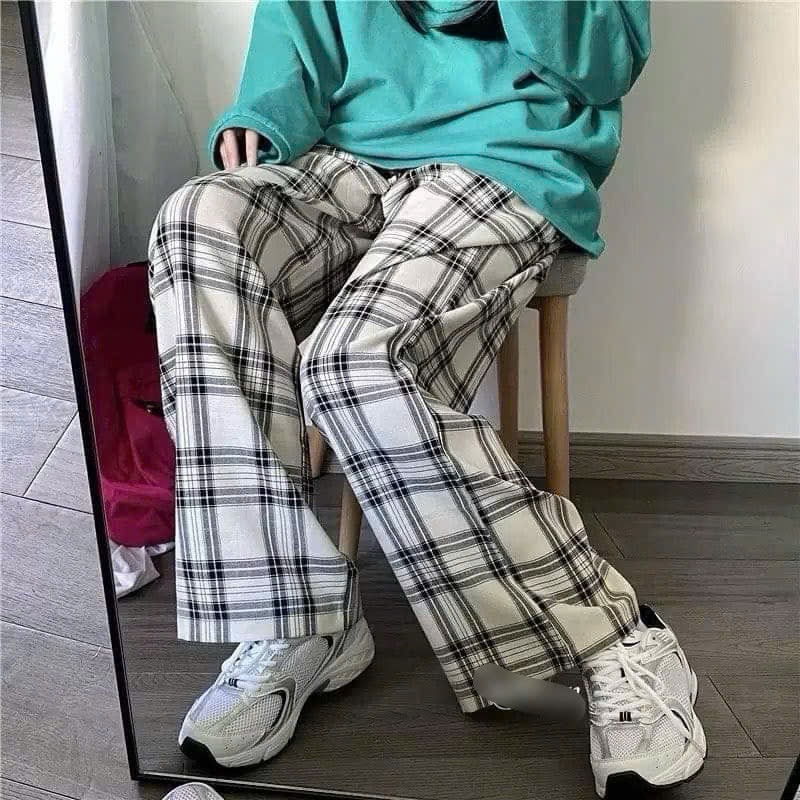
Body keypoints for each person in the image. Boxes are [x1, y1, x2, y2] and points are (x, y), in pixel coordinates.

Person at [147, 2, 706, 796]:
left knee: (350, 361)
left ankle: (616, 635)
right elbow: (296, 25)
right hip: (348, 157)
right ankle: (299, 618)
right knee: (195, 222)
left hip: (507, 156)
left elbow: (605, 61)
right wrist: (259, 118)